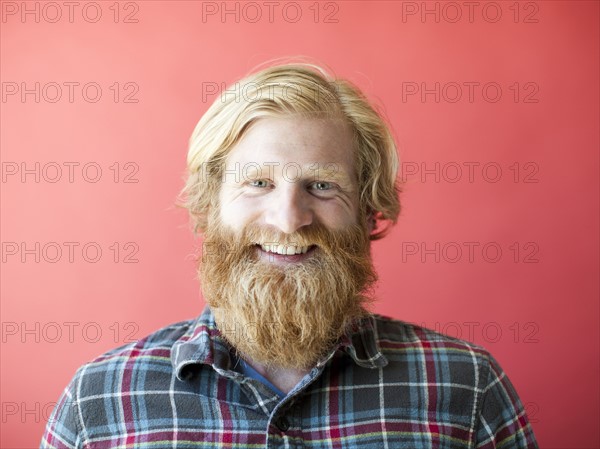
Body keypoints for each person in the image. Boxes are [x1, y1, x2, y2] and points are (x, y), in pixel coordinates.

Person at [41, 60, 539, 448]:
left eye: (323, 186)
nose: (288, 219)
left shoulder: (466, 387)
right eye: (258, 183)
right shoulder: (100, 400)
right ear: (209, 207)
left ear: (369, 212)